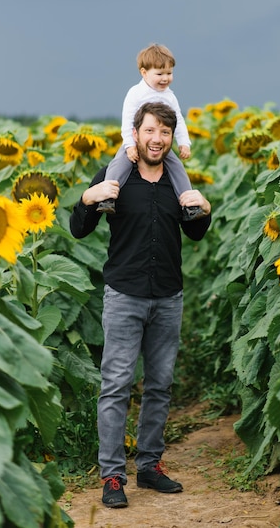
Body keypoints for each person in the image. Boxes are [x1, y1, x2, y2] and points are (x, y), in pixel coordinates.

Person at [70, 101, 212, 509]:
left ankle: (149, 466)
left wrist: (203, 207)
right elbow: (79, 229)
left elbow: (196, 232)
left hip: (168, 296)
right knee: (115, 386)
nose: (157, 139)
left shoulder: (175, 182)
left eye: (165, 133)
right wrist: (86, 196)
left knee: (160, 386)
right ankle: (113, 476)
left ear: (171, 137)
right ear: (136, 133)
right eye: (150, 131)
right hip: (125, 295)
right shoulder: (117, 176)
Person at [97, 43, 204, 221]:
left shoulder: (170, 96)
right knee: (119, 165)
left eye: (169, 73)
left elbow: (178, 120)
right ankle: (108, 198)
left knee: (177, 168)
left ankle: (189, 204)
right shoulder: (136, 93)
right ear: (144, 72)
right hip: (135, 142)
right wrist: (130, 145)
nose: (165, 79)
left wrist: (184, 142)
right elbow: (127, 121)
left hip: (158, 146)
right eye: (159, 74)